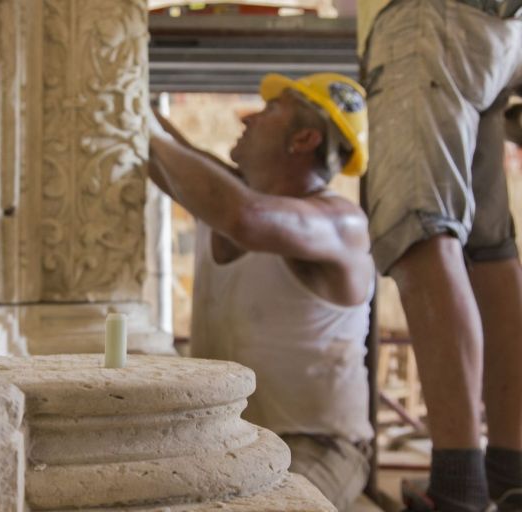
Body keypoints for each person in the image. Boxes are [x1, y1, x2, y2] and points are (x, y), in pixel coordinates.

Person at [148, 73, 375, 511]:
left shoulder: (340, 223)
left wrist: (142, 126)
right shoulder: (221, 199)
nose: (249, 117)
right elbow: (178, 160)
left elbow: (246, 217)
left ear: (304, 138)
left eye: (272, 110)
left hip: (316, 446)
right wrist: (125, 107)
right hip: (223, 433)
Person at [361, 1, 522, 511]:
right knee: (488, 250)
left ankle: (458, 487)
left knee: (420, 231)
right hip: (494, 32)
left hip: (427, 20)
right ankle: (510, 474)